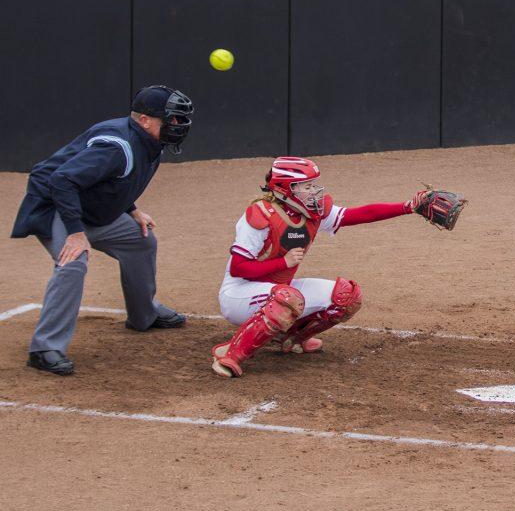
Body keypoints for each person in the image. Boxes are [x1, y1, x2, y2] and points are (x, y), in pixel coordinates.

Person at [11, 85, 195, 375]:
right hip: (55, 207)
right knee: (73, 262)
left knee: (140, 240)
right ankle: (44, 348)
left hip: (87, 208)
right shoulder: (116, 146)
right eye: (170, 119)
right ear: (145, 120)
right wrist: (74, 232)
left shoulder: (148, 143)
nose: (176, 125)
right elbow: (62, 181)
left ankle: (143, 315)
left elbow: (111, 182)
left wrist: (132, 210)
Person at [211, 156, 429, 378]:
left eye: (314, 184)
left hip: (277, 292)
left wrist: (408, 207)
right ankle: (231, 355)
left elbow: (358, 214)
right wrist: (282, 263)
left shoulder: (310, 212)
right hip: (238, 294)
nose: (314, 191)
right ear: (286, 189)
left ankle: (291, 338)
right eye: (307, 186)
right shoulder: (261, 215)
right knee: (287, 298)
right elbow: (239, 268)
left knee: (347, 295)